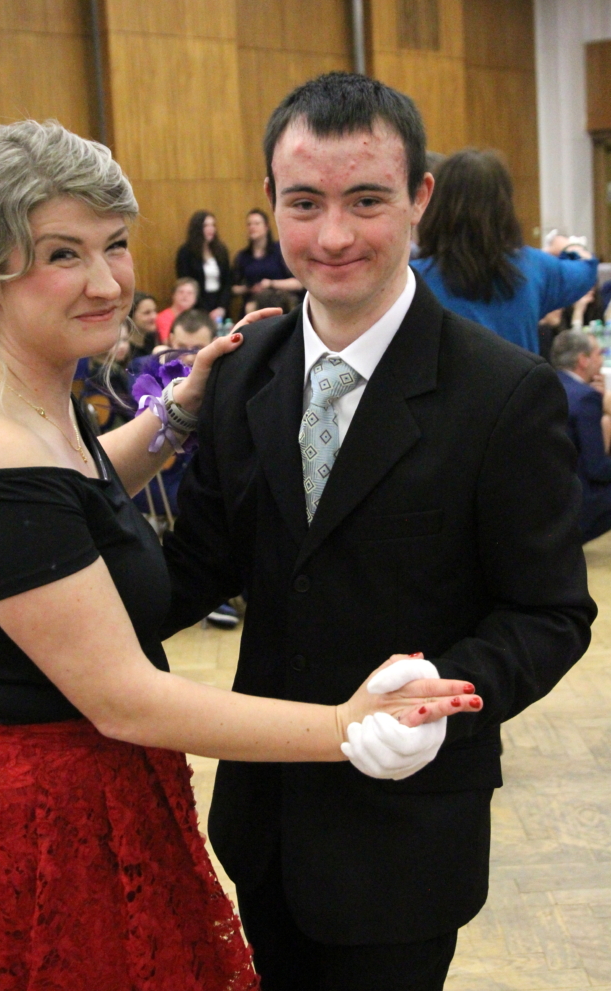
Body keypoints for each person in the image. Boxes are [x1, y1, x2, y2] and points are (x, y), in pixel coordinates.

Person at [0, 118, 477, 990]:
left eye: (114, 245)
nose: (106, 281)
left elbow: (77, 491)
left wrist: (177, 414)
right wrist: (345, 728)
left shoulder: (34, 396)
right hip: (48, 825)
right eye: (62, 254)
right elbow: (125, 698)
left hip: (101, 792)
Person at [161, 72, 596, 991]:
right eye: (303, 203)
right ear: (270, 199)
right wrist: (40, 591)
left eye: (365, 200)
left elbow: (549, 612)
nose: (333, 237)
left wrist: (446, 695)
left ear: (418, 198)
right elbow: (193, 564)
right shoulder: (246, 371)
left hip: (406, 838)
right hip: (263, 821)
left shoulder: (503, 395)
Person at [412, 149, 598, 353]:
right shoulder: (534, 268)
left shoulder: (412, 279)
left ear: (436, 206)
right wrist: (566, 245)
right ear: (505, 206)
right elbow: (587, 268)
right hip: (519, 375)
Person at [552, 328, 611, 542]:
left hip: (553, 500)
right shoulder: (586, 399)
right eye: (598, 353)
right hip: (585, 506)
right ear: (583, 360)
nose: (601, 359)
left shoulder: (549, 386)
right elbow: (599, 469)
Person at [232, 208, 302, 314]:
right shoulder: (243, 256)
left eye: (256, 223)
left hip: (280, 305)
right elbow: (233, 288)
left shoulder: (279, 251)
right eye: (249, 224)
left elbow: (298, 283)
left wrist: (271, 283)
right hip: (252, 307)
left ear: (266, 227)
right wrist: (248, 289)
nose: (252, 227)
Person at [176, 210, 232, 319]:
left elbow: (227, 281)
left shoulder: (221, 250)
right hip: (197, 305)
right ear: (197, 228)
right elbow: (186, 282)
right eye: (206, 225)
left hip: (219, 304)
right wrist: (204, 310)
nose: (211, 229)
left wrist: (222, 307)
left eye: (213, 225)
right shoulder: (186, 252)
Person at [155, 276, 200, 345]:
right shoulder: (163, 317)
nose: (185, 295)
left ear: (195, 298)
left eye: (190, 293)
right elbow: (167, 342)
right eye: (181, 292)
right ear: (173, 295)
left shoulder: (198, 317)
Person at [128, 289, 158, 358]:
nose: (154, 316)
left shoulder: (152, 337)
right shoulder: (124, 348)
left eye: (155, 311)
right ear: (131, 316)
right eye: (147, 313)